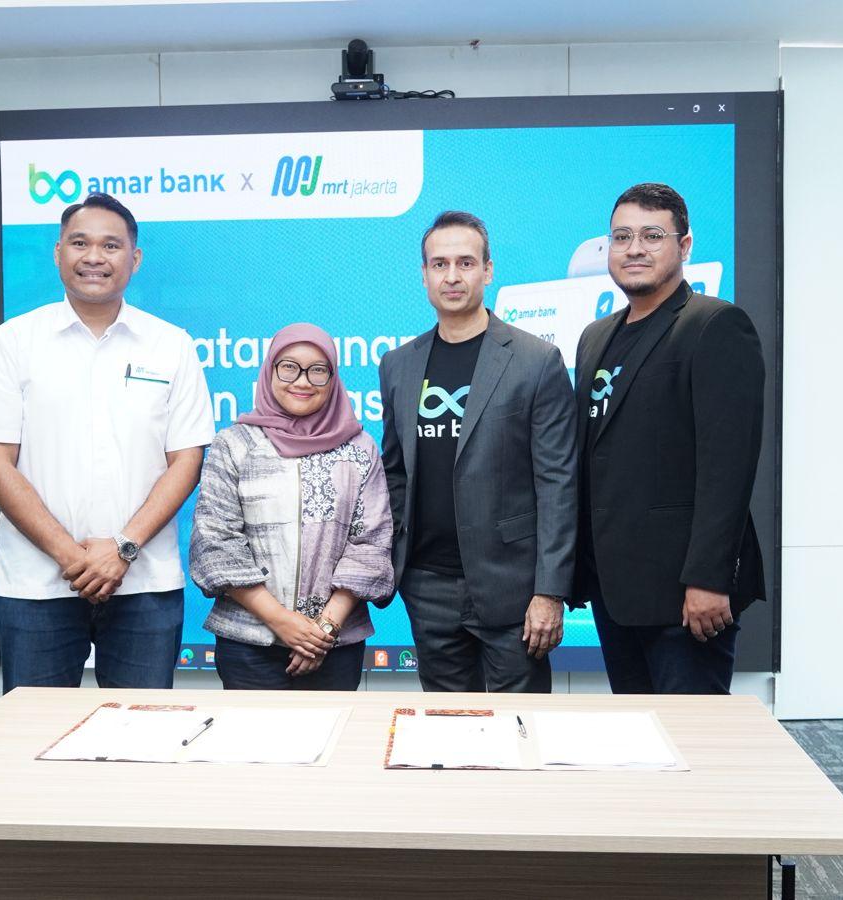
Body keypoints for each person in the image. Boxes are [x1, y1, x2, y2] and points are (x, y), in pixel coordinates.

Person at [0, 192, 214, 694]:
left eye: (110, 245)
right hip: (35, 584)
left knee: (143, 732)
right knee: (35, 733)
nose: (94, 257)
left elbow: (186, 462)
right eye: (80, 243)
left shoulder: (171, 345)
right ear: (58, 253)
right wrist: (70, 556)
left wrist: (122, 548)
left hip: (143, 584)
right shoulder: (12, 342)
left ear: (134, 259)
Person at [574, 182, 767, 695]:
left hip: (685, 596)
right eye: (621, 237)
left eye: (652, 235)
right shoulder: (595, 337)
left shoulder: (716, 325)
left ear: (684, 246)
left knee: (690, 739)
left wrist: (709, 578)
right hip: (615, 591)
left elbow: (729, 467)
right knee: (637, 734)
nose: (634, 248)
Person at [379, 210, 578, 694]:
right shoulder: (398, 365)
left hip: (514, 589)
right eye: (440, 264)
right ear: (424, 275)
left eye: (465, 263)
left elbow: (558, 483)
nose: (452, 276)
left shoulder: (536, 361)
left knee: (522, 726)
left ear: (487, 271)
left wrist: (549, 591)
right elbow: (395, 472)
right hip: (427, 585)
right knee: (446, 727)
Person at [189, 324, 394, 690]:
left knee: (334, 730)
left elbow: (371, 544)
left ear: (333, 378)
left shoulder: (359, 448)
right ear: (270, 371)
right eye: (288, 367)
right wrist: (282, 621)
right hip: (248, 642)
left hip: (335, 644)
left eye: (317, 370)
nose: (302, 381)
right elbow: (216, 541)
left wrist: (323, 630)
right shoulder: (234, 444)